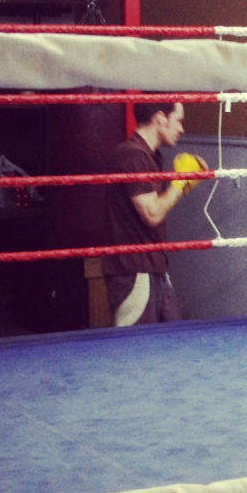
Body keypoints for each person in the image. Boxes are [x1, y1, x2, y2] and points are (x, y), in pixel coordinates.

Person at [102, 102, 204, 326]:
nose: (181, 129)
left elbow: (156, 207)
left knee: (172, 339)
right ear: (160, 118)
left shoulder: (148, 156)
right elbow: (153, 214)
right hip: (134, 270)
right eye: (178, 120)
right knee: (137, 343)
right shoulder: (132, 156)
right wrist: (179, 183)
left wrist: (180, 184)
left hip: (153, 267)